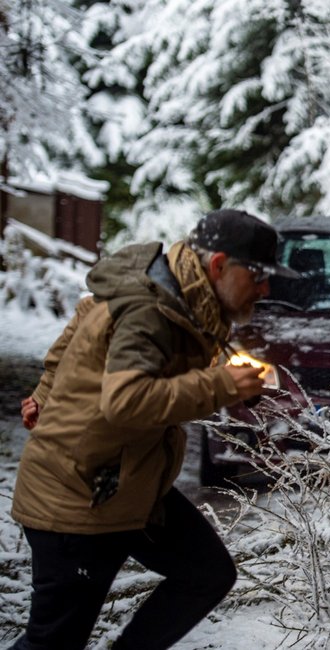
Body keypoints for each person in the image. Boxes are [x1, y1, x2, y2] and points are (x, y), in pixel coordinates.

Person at [9, 209, 298, 649]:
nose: (265, 287)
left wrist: (46, 393)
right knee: (53, 643)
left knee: (206, 574)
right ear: (219, 265)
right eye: (257, 274)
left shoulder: (180, 294)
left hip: (131, 482)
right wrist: (219, 385)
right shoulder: (151, 307)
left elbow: (90, 314)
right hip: (79, 499)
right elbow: (126, 401)